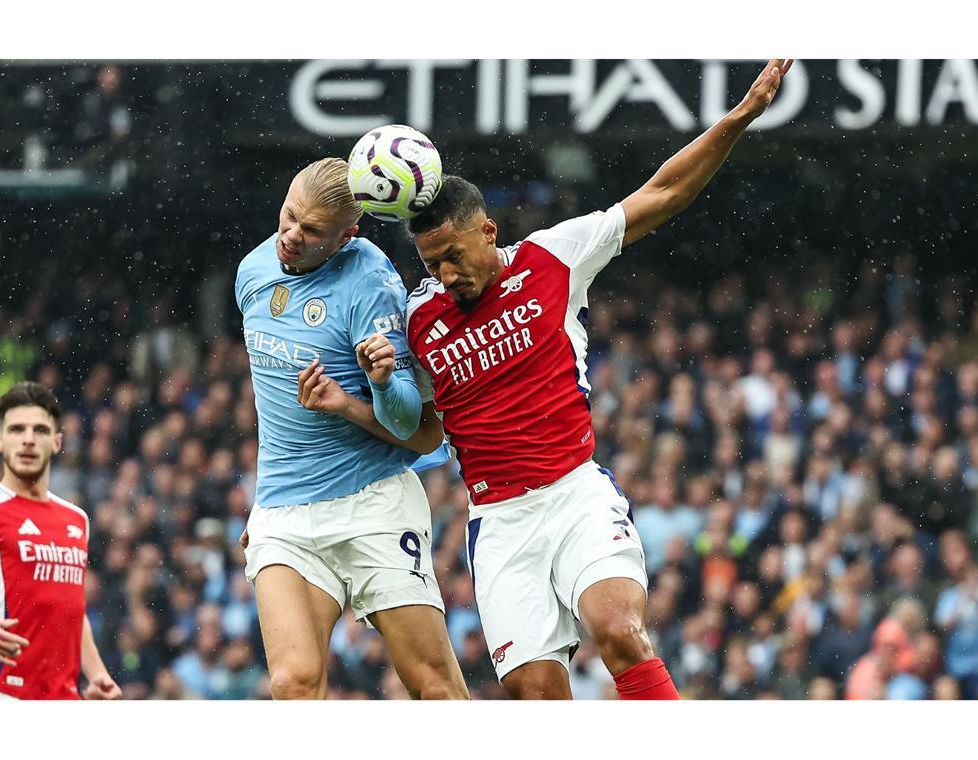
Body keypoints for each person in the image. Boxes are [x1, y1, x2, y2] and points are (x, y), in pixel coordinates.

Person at [303, 59, 793, 699]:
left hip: (575, 497)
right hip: (500, 524)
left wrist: (738, 118)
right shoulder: (418, 321)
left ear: (489, 231)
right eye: (432, 263)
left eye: (455, 255)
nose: (447, 274)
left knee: (619, 632)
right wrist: (361, 397)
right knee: (536, 698)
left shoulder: (551, 258)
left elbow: (663, 194)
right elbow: (420, 435)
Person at [234, 157, 468, 699]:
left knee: (432, 686)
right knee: (293, 683)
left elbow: (418, 429)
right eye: (289, 217)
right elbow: (275, 407)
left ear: (347, 236)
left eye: (312, 230)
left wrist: (373, 389)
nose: (291, 236)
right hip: (285, 514)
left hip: (372, 504)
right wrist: (264, 499)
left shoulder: (371, 283)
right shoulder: (252, 272)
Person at [0, 382, 121, 701]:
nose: (28, 439)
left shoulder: (77, 519)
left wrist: (97, 673)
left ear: (57, 442)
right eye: (17, 429)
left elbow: (70, 608)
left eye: (40, 430)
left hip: (62, 698)